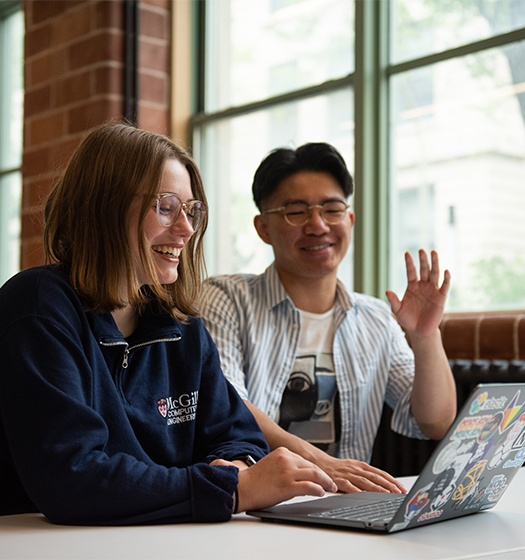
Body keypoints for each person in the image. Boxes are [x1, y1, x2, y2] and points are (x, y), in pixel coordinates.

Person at [0, 123, 337, 525]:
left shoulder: (182, 325)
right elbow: (73, 477)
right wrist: (232, 489)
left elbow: (238, 433)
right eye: (166, 207)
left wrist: (233, 464)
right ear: (104, 207)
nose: (186, 229)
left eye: (192, 210)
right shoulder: (37, 306)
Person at [200, 142, 457, 494]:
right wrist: (318, 462)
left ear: (349, 220)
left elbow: (436, 422)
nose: (317, 225)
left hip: (345, 506)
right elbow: (227, 401)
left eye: (332, 209)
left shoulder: (376, 319)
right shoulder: (226, 298)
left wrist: (426, 337)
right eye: (296, 211)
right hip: (252, 502)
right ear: (263, 228)